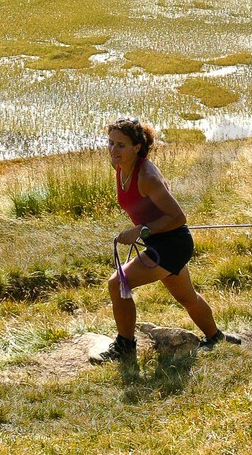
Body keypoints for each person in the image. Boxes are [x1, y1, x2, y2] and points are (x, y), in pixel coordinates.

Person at [101, 118, 240, 360]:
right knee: (187, 297)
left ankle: (125, 347)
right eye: (111, 143)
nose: (114, 150)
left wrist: (141, 231)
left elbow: (178, 217)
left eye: (121, 145)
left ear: (136, 147)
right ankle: (217, 337)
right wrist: (144, 231)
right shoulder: (120, 166)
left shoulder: (146, 177)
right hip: (159, 243)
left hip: (172, 244)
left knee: (118, 283)